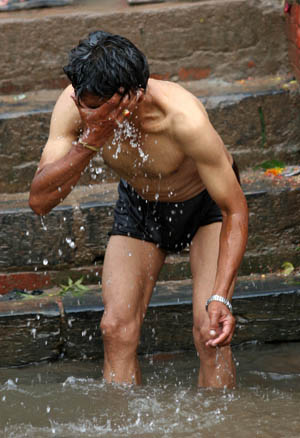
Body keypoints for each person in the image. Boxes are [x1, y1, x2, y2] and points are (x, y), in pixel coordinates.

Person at [29, 31, 248, 388]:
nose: (83, 110)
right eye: (79, 99)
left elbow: (235, 211)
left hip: (205, 208)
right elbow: (39, 201)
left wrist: (221, 296)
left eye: (94, 104)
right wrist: (90, 141)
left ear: (130, 97)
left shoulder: (182, 117)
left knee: (208, 329)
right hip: (141, 205)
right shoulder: (76, 106)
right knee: (115, 329)